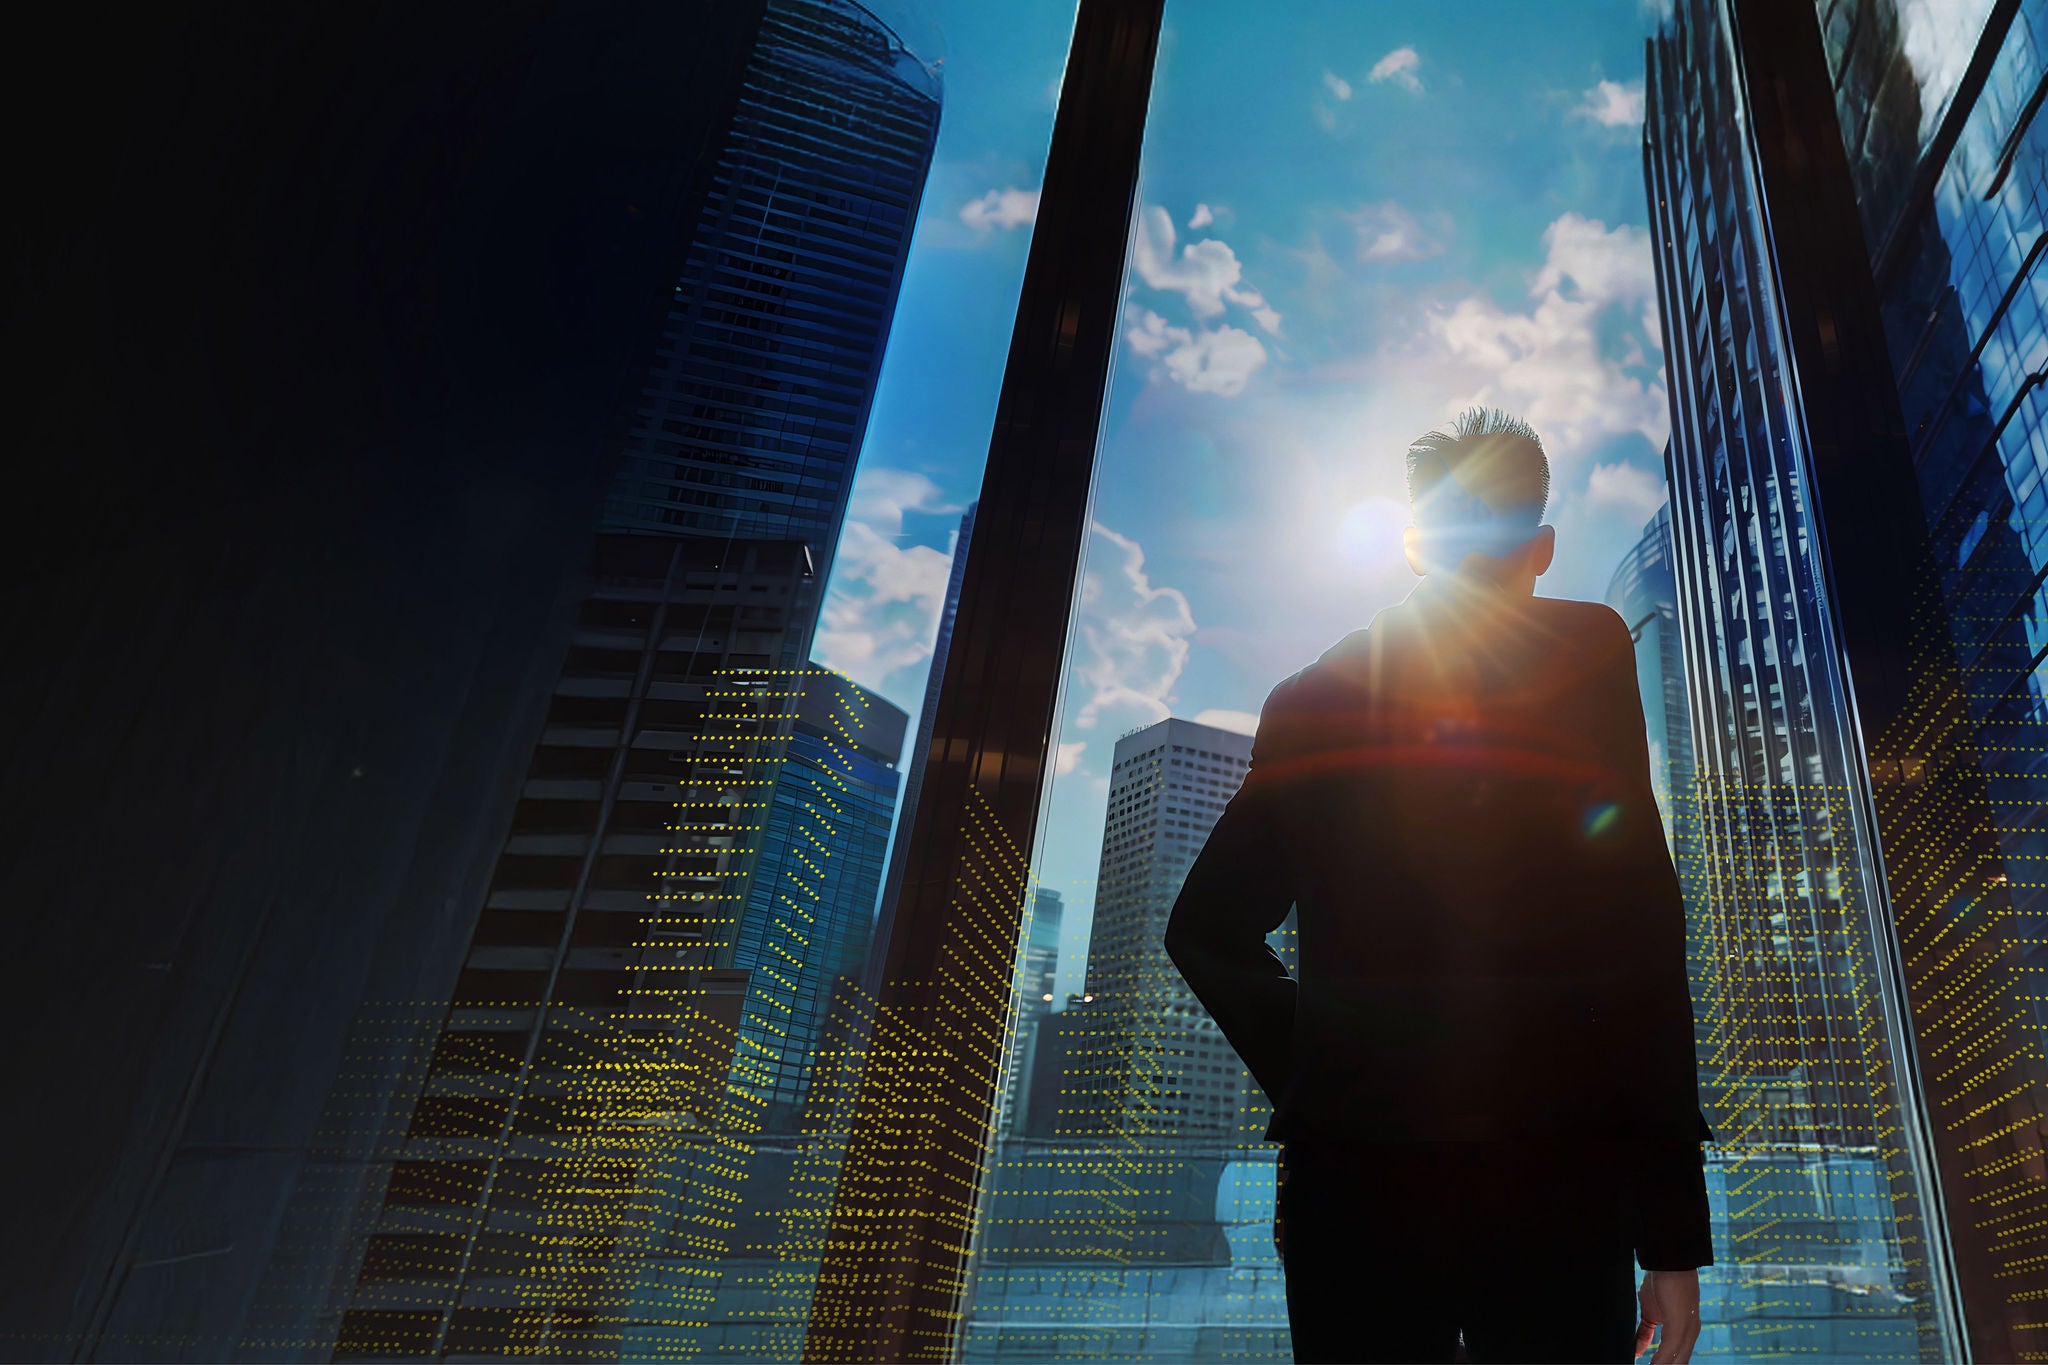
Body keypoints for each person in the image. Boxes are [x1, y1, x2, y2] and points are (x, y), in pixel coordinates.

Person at [1164, 406, 1713, 1364]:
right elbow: (1641, 947)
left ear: (1415, 543)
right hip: (1557, 1176)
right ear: (1540, 549)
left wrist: (1328, 1061)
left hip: (1355, 1183)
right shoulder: (1586, 653)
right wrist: (1669, 1231)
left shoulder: (1311, 697)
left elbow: (1205, 928)